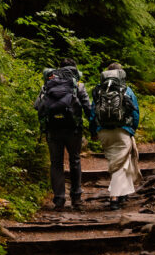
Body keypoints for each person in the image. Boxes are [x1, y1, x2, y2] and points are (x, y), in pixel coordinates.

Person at [34, 57, 91, 211]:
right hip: (73, 129)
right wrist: (92, 127)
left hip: (53, 130)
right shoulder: (77, 85)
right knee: (75, 161)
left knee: (56, 163)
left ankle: (59, 199)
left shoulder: (48, 84)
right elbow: (87, 107)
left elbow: (37, 105)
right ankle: (76, 198)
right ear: (75, 69)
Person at [90, 62, 142, 210]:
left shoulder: (99, 90)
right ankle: (114, 198)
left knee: (117, 162)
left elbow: (93, 113)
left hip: (104, 131)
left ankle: (122, 193)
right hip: (122, 130)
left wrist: (93, 131)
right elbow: (135, 112)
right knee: (119, 165)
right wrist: (132, 129)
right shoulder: (126, 90)